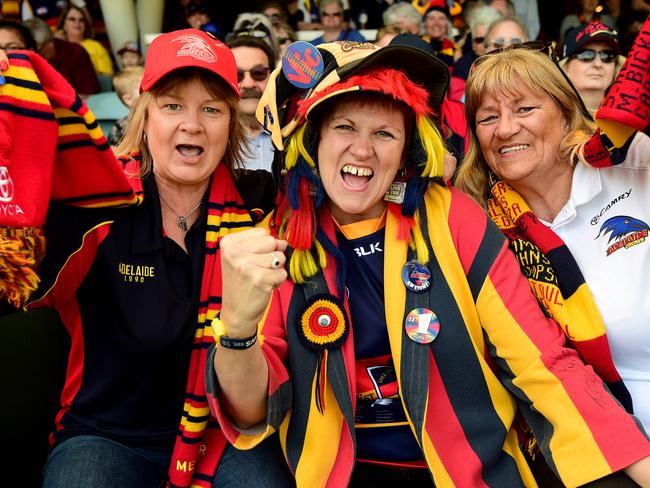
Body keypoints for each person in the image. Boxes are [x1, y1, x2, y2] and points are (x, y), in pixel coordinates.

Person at [206, 40, 650, 486]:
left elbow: (541, 362)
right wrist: (238, 329)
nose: (362, 151)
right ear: (314, 139)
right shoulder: (278, 242)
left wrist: (634, 461)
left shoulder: (452, 218)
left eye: (384, 133)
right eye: (345, 127)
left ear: (406, 152)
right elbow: (251, 412)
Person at [4, 28, 288, 488]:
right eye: (173, 105)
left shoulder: (262, 203)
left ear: (231, 124)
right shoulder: (97, 204)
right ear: (145, 115)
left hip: (223, 434)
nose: (192, 125)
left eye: (211, 110)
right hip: (105, 437)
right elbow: (14, 275)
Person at [456, 27, 650, 438]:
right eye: (488, 117)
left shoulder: (635, 163)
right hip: (589, 443)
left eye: (524, 109)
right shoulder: (477, 225)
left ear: (565, 112)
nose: (505, 129)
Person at [227, 35, 275, 173]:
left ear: (273, 78)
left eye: (258, 73)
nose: (248, 84)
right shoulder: (210, 138)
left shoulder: (294, 133)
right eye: (237, 75)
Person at [23, 16, 100, 97]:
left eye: (37, 50)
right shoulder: (24, 58)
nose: (33, 54)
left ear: (50, 44)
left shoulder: (76, 53)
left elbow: (88, 96)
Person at [560, 20, 624, 115]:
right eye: (586, 55)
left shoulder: (629, 123)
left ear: (615, 68)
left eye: (607, 56)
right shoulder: (552, 117)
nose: (598, 64)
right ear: (565, 68)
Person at [55, 5, 113, 76]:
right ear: (64, 24)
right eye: (72, 19)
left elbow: (107, 77)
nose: (77, 23)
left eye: (81, 20)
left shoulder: (95, 46)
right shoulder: (56, 47)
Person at [107, 66, 143, 146]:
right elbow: (113, 155)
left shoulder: (157, 118)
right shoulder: (119, 129)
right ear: (128, 100)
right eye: (143, 89)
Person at [421, 2, 456, 67]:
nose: (437, 23)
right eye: (432, 18)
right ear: (425, 23)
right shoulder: (416, 45)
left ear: (447, 24)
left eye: (441, 18)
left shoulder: (455, 51)